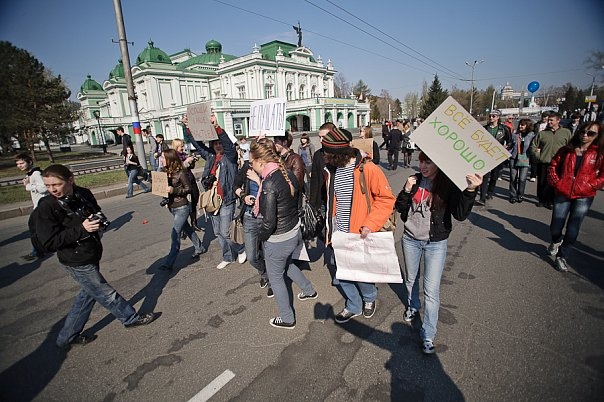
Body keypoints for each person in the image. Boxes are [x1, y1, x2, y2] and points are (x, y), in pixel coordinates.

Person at [34, 164, 157, 350]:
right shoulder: (47, 206)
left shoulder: (82, 193)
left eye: (56, 184)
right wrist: (81, 229)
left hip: (91, 251)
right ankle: (130, 318)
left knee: (88, 294)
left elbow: (95, 211)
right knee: (104, 292)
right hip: (75, 259)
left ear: (70, 180)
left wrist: (100, 221)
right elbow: (49, 242)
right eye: (48, 185)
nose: (52, 190)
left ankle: (67, 337)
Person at [395, 151, 482, 354]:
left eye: (428, 162)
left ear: (438, 164)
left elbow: (460, 214)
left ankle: (428, 334)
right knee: (410, 279)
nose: (423, 166)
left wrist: (470, 190)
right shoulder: (415, 180)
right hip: (410, 239)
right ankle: (413, 306)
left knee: (431, 290)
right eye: (421, 161)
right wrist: (407, 190)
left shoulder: (448, 185)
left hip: (435, 242)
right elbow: (400, 207)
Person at [321, 127, 396, 324]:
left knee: (361, 272)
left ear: (339, 154)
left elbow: (386, 199)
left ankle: (369, 298)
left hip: (360, 231)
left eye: (328, 153)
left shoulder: (367, 169)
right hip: (339, 232)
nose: (324, 156)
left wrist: (370, 224)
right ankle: (353, 305)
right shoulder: (331, 170)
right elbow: (332, 200)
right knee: (342, 272)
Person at [250, 138, 317, 329]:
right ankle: (309, 290)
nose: (250, 165)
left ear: (261, 162)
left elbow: (269, 222)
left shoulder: (270, 182)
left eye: (251, 161)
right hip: (293, 232)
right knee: (286, 265)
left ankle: (287, 318)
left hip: (278, 238)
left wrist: (259, 237)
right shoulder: (284, 172)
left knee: (276, 278)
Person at [184, 113, 245, 269]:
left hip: (226, 200)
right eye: (215, 143)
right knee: (218, 232)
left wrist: (217, 127)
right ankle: (227, 256)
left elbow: (228, 145)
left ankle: (241, 249)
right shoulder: (210, 156)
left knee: (225, 232)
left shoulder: (230, 158)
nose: (218, 145)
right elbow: (197, 145)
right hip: (212, 200)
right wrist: (188, 128)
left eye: (220, 143)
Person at [546, 121, 603, 272]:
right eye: (583, 132)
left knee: (573, 227)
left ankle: (562, 256)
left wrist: (591, 185)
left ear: (597, 136)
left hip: (584, 195)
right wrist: (557, 183)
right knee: (555, 227)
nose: (585, 135)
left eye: (590, 133)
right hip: (563, 192)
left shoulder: (599, 154)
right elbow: (553, 166)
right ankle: (556, 241)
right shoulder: (567, 150)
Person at [159, 149, 206, 271]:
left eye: (163, 157)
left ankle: (169, 263)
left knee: (175, 234)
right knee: (187, 228)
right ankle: (199, 247)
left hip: (181, 207)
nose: (161, 159)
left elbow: (188, 189)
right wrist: (165, 197)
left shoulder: (181, 173)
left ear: (170, 159)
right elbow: (164, 188)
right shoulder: (165, 172)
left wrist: (173, 191)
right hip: (172, 207)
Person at [233, 153, 271, 296]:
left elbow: (274, 190)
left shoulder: (271, 168)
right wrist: (244, 196)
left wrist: (258, 180)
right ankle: (264, 272)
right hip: (249, 216)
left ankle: (273, 281)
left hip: (266, 217)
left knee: (269, 254)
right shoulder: (247, 168)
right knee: (252, 257)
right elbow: (235, 186)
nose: (251, 161)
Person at [530, 111, 572, 209]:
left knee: (554, 183)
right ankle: (541, 200)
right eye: (548, 120)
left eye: (551, 120)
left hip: (559, 163)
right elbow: (534, 146)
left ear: (558, 120)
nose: (549, 122)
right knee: (542, 182)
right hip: (544, 162)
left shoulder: (566, 132)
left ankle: (550, 201)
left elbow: (571, 146)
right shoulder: (542, 133)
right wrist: (538, 156)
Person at [15, 153, 49, 260]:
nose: (19, 165)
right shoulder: (31, 174)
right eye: (17, 164)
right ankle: (39, 250)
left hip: (41, 206)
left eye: (21, 163)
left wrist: (28, 186)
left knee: (34, 229)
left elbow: (44, 188)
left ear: (29, 162)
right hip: (39, 205)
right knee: (38, 229)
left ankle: (37, 251)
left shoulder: (36, 174)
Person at [476, 110, 511, 205]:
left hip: (497, 156)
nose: (491, 118)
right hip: (486, 156)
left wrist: (506, 147)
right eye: (490, 116)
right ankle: (482, 198)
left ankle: (490, 192)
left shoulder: (504, 129)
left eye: (493, 116)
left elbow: (510, 142)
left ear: (498, 117)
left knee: (494, 176)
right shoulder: (484, 128)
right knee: (484, 176)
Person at [171, 139, 202, 231]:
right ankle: (184, 226)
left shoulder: (183, 155)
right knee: (186, 204)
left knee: (195, 199)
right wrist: (186, 162)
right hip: (182, 182)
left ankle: (194, 222)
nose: (183, 148)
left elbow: (190, 167)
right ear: (176, 146)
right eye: (181, 146)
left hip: (190, 179)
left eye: (183, 146)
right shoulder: (174, 156)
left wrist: (192, 161)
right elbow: (178, 169)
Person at [309, 122, 336, 211]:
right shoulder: (318, 155)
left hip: (338, 201)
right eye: (319, 137)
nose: (321, 140)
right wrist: (312, 204)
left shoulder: (342, 155)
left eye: (323, 137)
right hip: (323, 202)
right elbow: (314, 181)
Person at [274, 131, 305, 205]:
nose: (274, 144)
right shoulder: (275, 158)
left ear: (284, 142)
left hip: (291, 203)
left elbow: (297, 184)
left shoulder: (295, 159)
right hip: (279, 200)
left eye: (276, 142)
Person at [508, 119, 535, 203]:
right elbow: (510, 145)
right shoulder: (515, 135)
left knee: (522, 178)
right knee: (513, 177)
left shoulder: (532, 135)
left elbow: (533, 146)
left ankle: (520, 194)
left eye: (522, 125)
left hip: (525, 158)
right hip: (514, 158)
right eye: (520, 124)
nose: (520, 126)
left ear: (527, 126)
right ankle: (513, 195)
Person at [530, 111, 551, 182]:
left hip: (545, 144)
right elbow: (533, 132)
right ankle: (533, 175)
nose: (544, 118)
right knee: (534, 159)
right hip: (537, 142)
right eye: (543, 116)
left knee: (542, 160)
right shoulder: (537, 124)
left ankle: (540, 173)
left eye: (546, 117)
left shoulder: (549, 125)